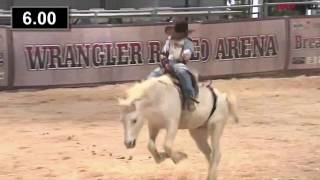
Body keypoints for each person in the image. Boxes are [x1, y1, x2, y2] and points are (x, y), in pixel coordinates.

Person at [147, 21, 198, 111]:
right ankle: (147, 98)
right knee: (151, 77)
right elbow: (163, 53)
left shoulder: (187, 42)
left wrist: (186, 54)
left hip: (179, 64)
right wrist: (165, 63)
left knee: (184, 77)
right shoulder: (169, 40)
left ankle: (190, 100)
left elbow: (187, 53)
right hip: (166, 63)